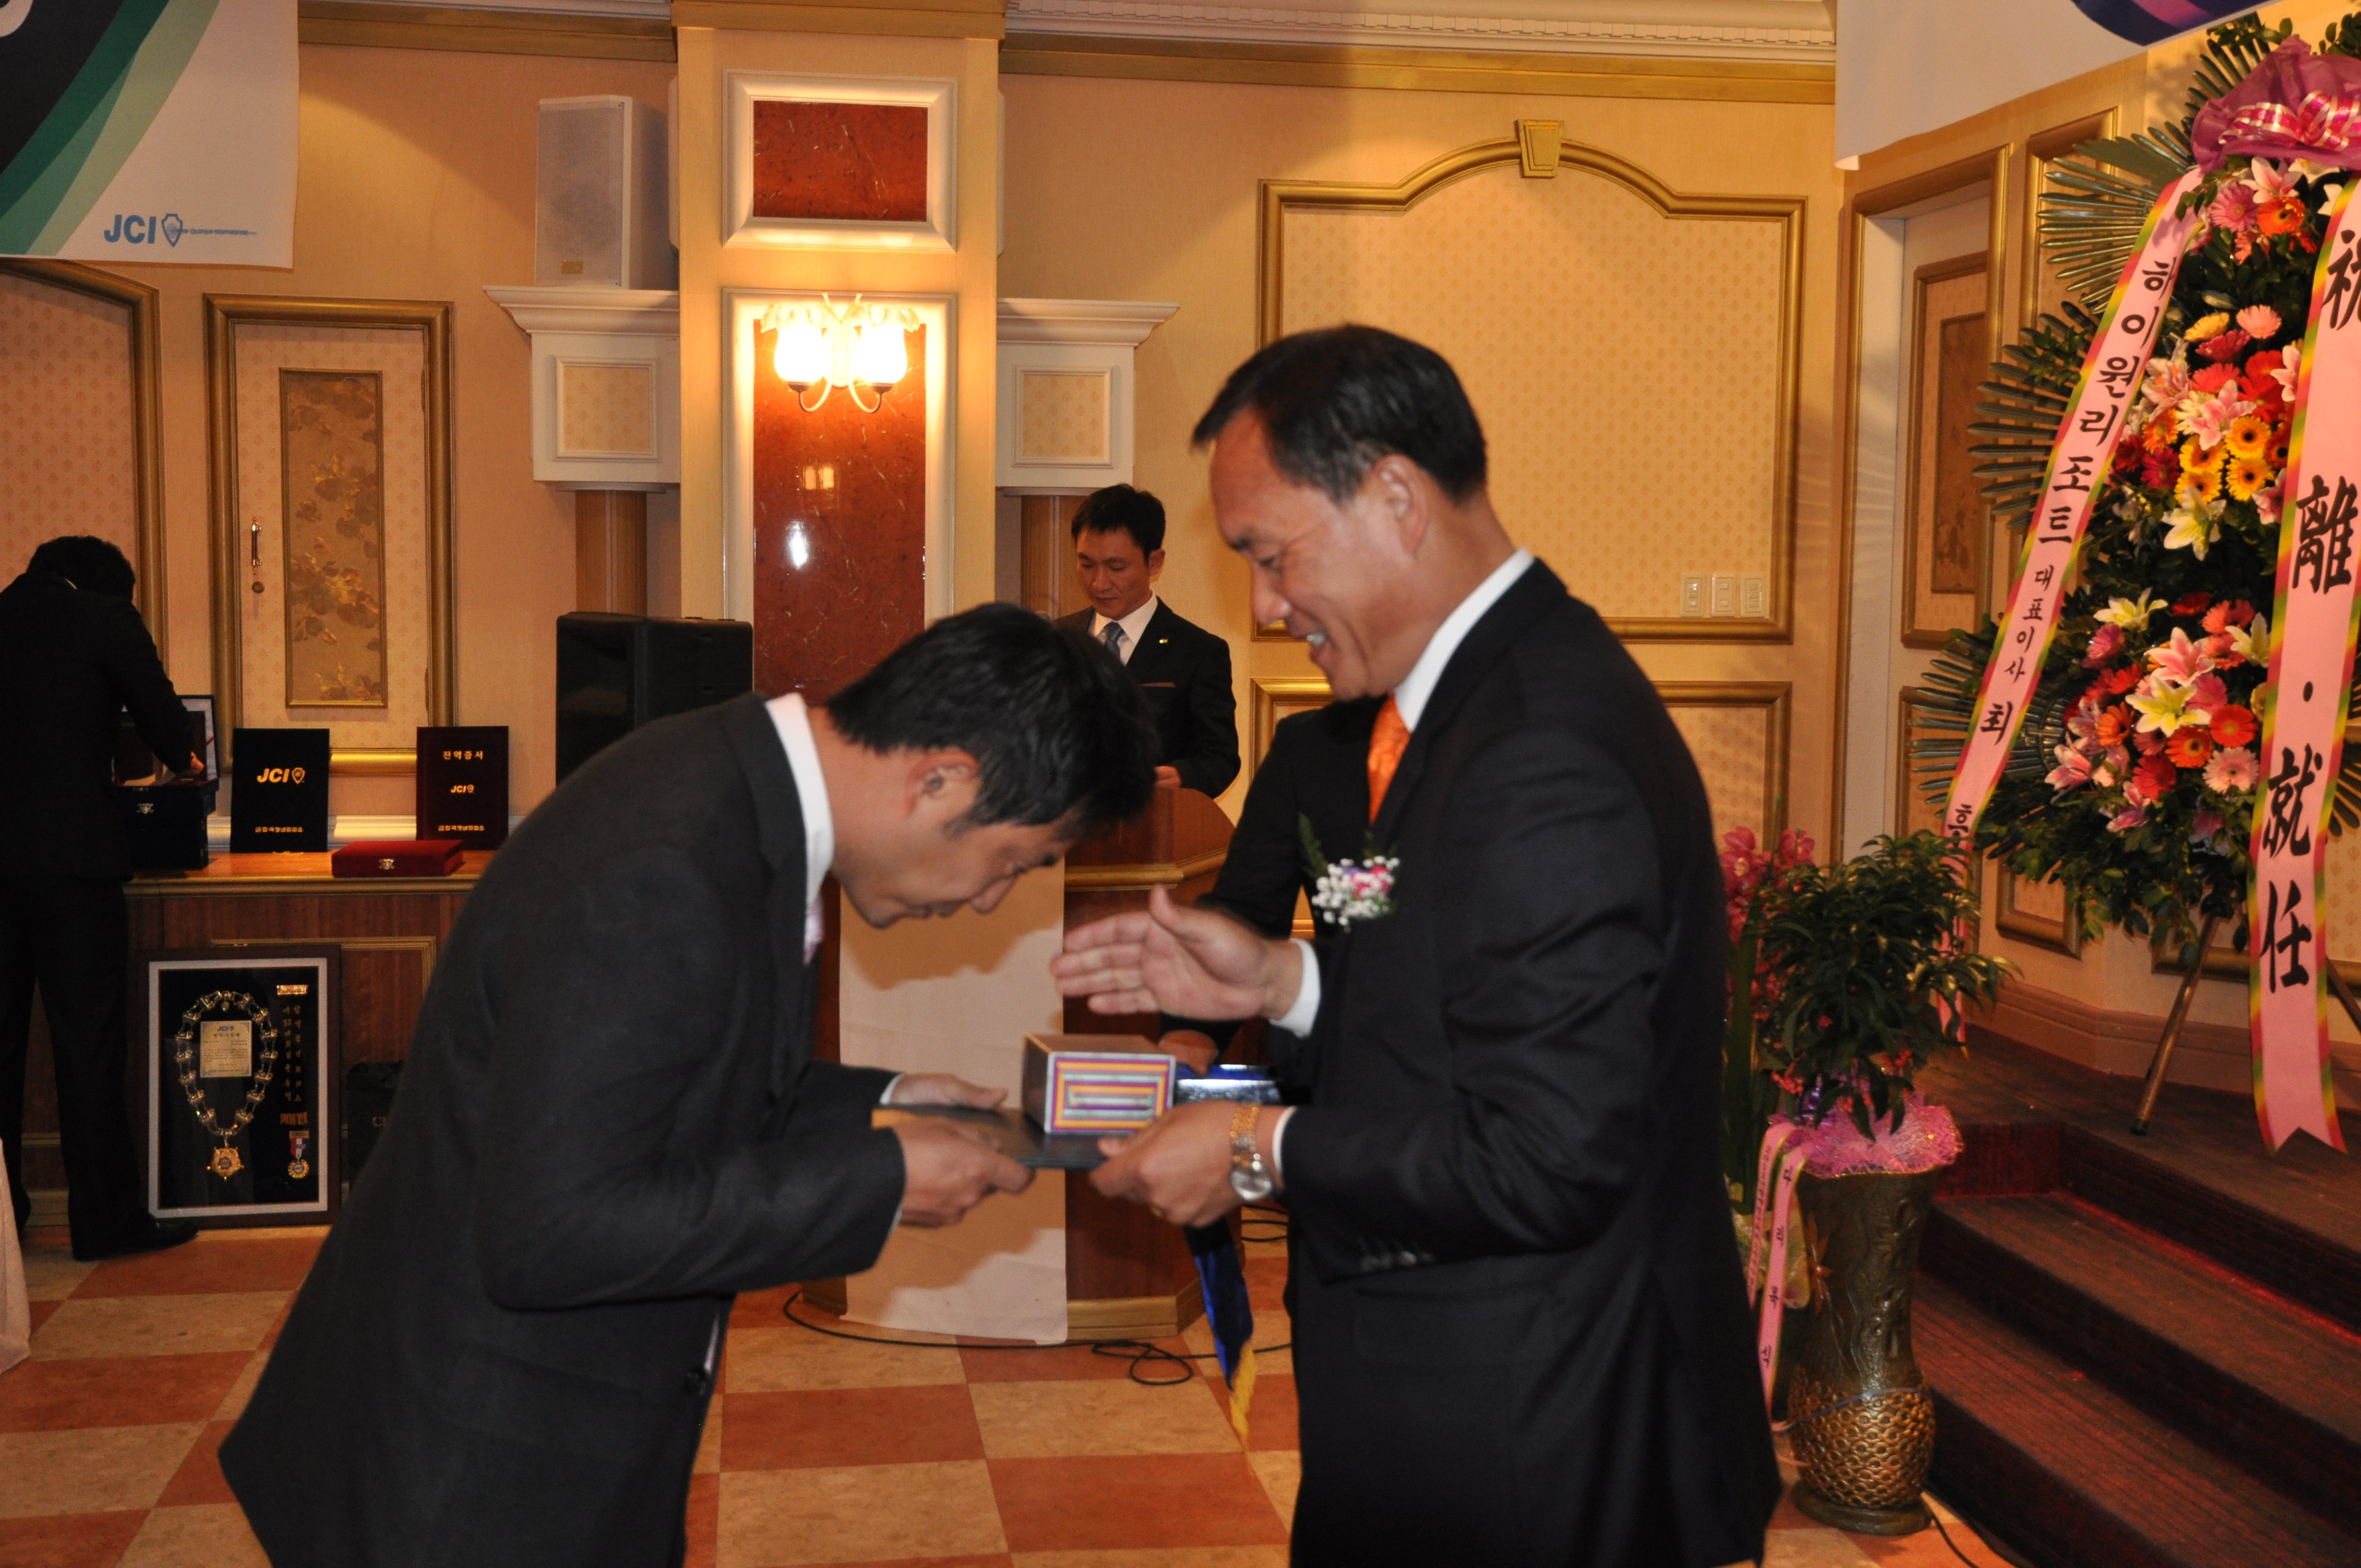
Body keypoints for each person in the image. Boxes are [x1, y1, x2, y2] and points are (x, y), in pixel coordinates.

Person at [1053, 326, 1781, 1565]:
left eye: (1271, 555)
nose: (1265, 605)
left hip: (1541, 1435)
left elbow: (1546, 1153)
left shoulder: (1538, 744)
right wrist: (1287, 979)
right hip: (1470, 1399)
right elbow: (1474, 997)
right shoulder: (1473, 700)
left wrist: (1253, 1143)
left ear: (1395, 497)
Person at [221, 605, 1157, 1567]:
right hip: (465, 1470)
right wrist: (880, 1181)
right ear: (941, 779)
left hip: (524, 1432)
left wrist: (882, 1101)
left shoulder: (731, 784)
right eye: (1010, 860)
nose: (988, 897)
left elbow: (672, 1076)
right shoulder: (666, 867)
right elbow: (553, 1230)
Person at [0, 536, 199, 1262]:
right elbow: (165, 722)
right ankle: (105, 1221)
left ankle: (5, 1220)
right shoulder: (106, 619)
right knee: (88, 1047)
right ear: (103, 585)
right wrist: (184, 757)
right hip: (74, 864)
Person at [1054, 484, 1240, 797]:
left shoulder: (1199, 652)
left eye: (1116, 567)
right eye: (1086, 565)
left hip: (1151, 817)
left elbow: (1220, 758)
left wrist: (1180, 776)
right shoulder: (1056, 641)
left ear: (1155, 562)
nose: (1098, 583)